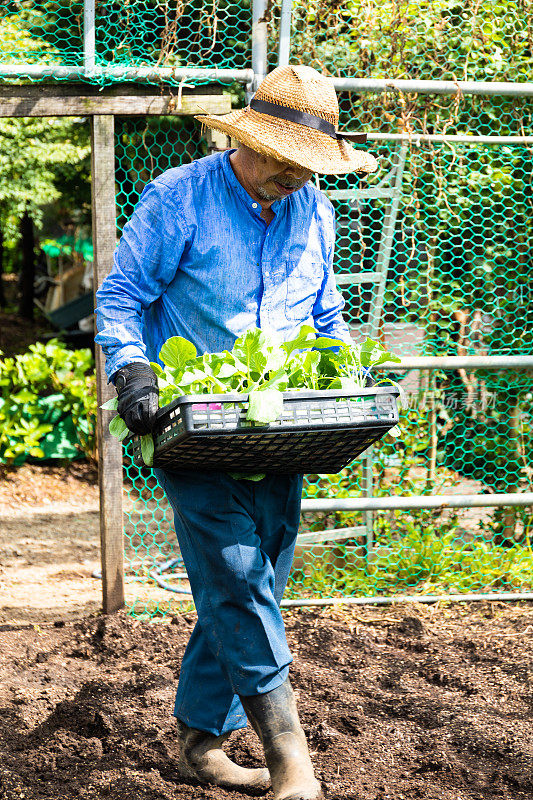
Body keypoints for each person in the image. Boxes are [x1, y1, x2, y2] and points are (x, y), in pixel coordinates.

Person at [95, 65, 377, 800]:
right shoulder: (179, 198)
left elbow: (324, 315)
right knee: (238, 577)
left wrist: (340, 384)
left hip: (280, 427)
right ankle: (291, 760)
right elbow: (123, 297)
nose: (291, 176)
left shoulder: (312, 208)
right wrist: (132, 375)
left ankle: (200, 740)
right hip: (193, 428)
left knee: (252, 585)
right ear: (245, 140)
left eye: (305, 164)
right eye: (281, 158)